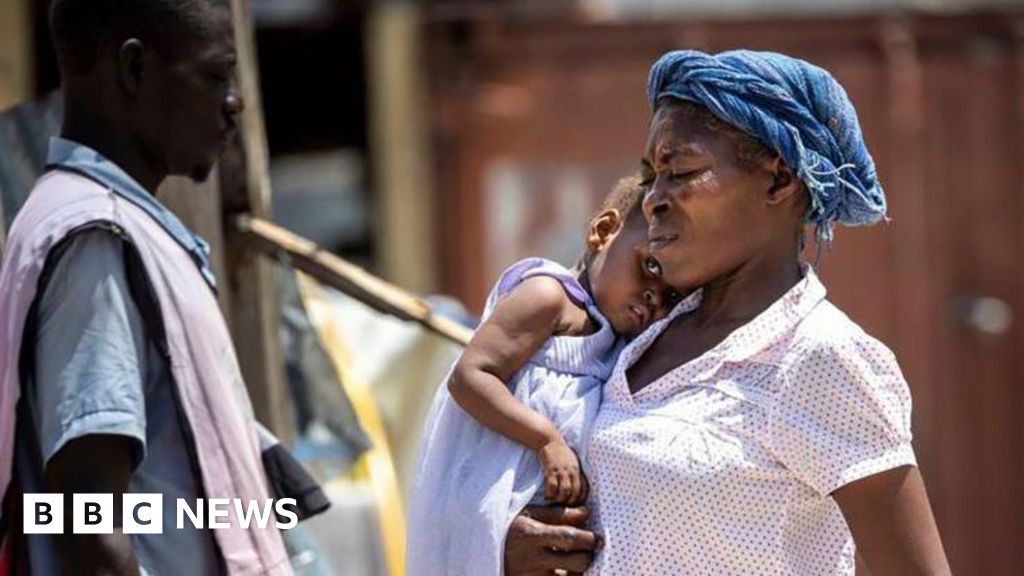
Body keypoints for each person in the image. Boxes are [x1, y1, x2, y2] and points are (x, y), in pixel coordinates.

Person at [504, 50, 951, 575]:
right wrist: (518, 544)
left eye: (683, 172)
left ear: (779, 180)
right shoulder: (646, 332)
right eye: (651, 176)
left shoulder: (820, 357)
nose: (653, 200)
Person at [0, 0, 294, 574]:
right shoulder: (95, 238)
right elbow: (85, 516)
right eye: (215, 75)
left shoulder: (128, 229)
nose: (234, 103)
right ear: (134, 70)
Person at [407, 176, 681, 576]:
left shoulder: (613, 341)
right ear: (603, 232)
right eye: (649, 267)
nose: (654, 296)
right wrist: (546, 439)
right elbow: (471, 377)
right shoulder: (549, 296)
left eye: (671, 294)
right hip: (486, 508)